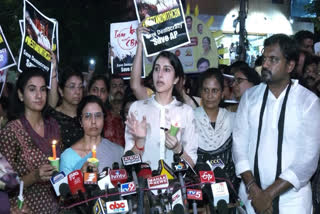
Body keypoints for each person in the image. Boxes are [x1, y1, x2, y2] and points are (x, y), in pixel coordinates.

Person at [232, 34, 320, 213]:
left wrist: (268, 195)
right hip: (251, 197)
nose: (265, 65)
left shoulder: (308, 101)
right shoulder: (250, 97)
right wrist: (254, 189)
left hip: (292, 202)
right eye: (265, 58)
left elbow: (307, 160)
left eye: (273, 60)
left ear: (290, 66)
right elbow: (239, 146)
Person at [0, 68, 61, 213]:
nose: (39, 95)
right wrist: (34, 176)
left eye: (43, 89)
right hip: (25, 208)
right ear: (21, 95)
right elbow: (5, 183)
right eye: (32, 89)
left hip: (56, 207)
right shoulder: (11, 131)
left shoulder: (53, 125)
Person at [125, 51, 198, 170]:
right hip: (144, 186)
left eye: (167, 70)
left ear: (176, 79)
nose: (160, 74)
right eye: (156, 69)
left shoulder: (186, 112)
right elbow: (128, 165)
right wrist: (139, 142)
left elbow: (191, 164)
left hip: (177, 187)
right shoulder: (137, 109)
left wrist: (178, 149)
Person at [195, 69, 239, 190]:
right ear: (200, 92)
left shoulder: (233, 120)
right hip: (199, 189)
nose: (210, 96)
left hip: (229, 188)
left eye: (215, 91)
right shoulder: (190, 119)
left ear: (222, 93)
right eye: (206, 90)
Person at [60, 95, 124, 174]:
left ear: (104, 119)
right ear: (80, 121)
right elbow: (63, 186)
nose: (93, 121)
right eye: (87, 116)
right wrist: (80, 174)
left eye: (98, 116)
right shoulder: (68, 157)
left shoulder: (117, 151)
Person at [48, 65, 84, 150]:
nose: (77, 92)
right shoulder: (52, 118)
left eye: (80, 87)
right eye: (72, 87)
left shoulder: (86, 115)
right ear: (61, 91)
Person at [103, 74, 126, 148]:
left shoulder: (131, 110)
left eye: (121, 86)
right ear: (109, 90)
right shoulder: (104, 114)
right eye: (114, 86)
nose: (118, 89)